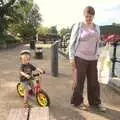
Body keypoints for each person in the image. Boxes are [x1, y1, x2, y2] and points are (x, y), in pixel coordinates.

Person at [69, 6, 106, 112]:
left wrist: (104, 43)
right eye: (87, 16)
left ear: (93, 16)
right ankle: (78, 102)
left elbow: (98, 42)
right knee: (79, 81)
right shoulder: (79, 25)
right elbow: (72, 42)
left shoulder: (96, 27)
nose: (88, 18)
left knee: (94, 81)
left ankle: (95, 102)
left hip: (93, 58)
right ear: (84, 15)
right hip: (80, 57)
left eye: (90, 16)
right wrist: (71, 58)